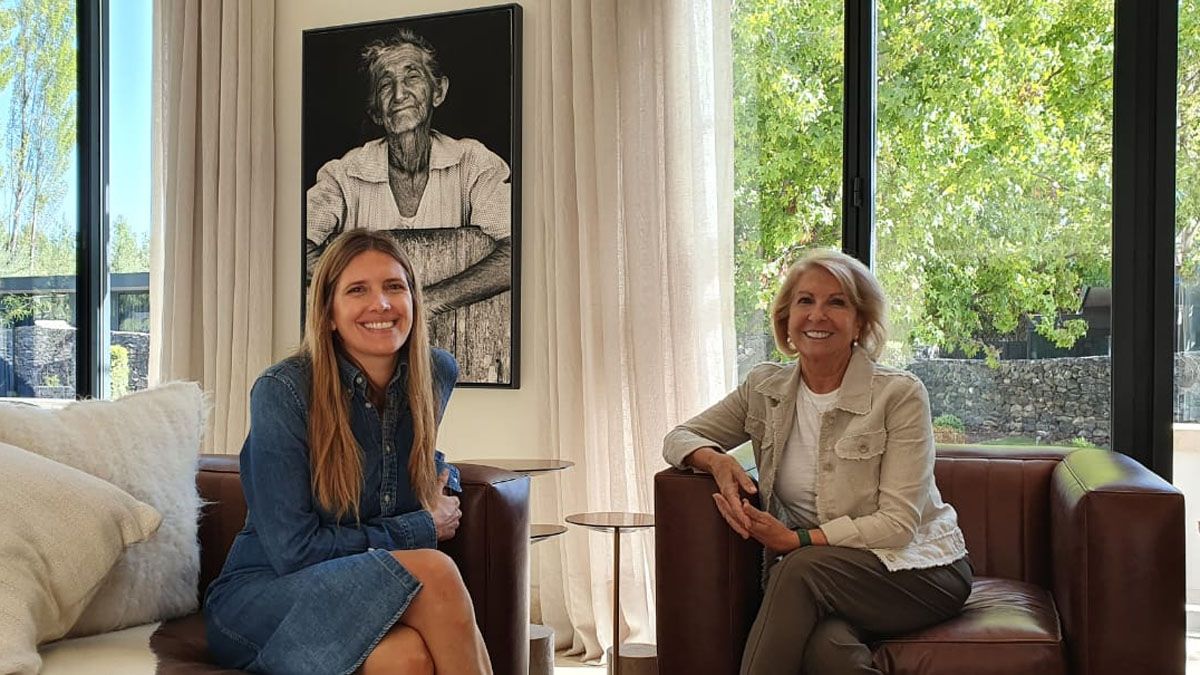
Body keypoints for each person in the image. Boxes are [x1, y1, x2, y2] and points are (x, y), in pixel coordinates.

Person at [663, 248, 971, 675]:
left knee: (798, 570)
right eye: (805, 301)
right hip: (828, 578)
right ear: (786, 319)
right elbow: (678, 437)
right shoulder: (763, 388)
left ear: (859, 322)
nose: (817, 315)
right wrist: (715, 461)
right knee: (828, 649)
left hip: (921, 569)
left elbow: (898, 525)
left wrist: (799, 540)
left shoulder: (899, 394)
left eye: (836, 302)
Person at [204, 229, 493, 675]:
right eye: (358, 290)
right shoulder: (283, 390)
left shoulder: (435, 372)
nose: (381, 303)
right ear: (329, 315)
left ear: (414, 301)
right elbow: (294, 552)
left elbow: (404, 463)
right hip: (265, 596)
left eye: (394, 287)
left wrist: (443, 478)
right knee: (433, 571)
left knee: (406, 659)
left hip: (361, 586)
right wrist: (420, 526)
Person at [306, 27, 512, 317]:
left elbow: (517, 249)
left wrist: (426, 302)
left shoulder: (472, 164)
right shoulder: (344, 175)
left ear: (438, 92)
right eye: (385, 84)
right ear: (376, 111)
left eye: (412, 77)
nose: (399, 94)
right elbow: (294, 245)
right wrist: (365, 291)